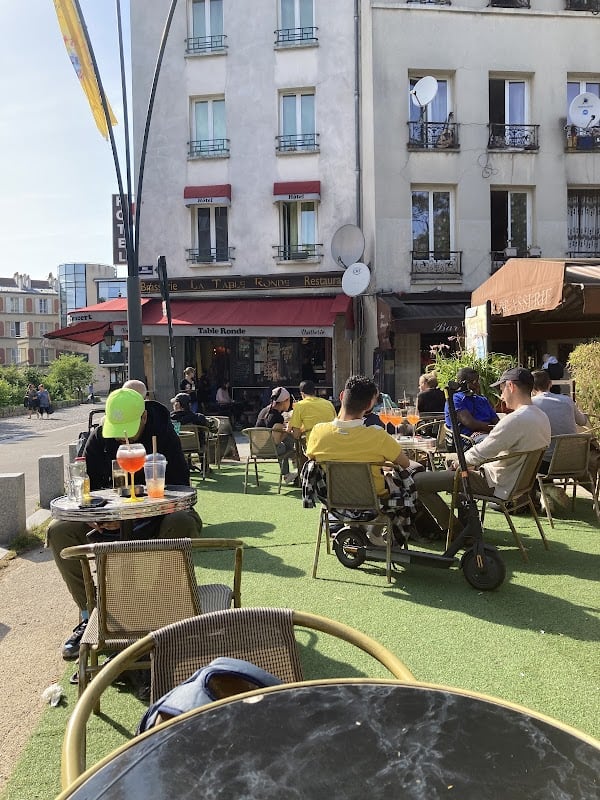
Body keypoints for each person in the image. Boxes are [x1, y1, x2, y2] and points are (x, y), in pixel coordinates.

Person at [46, 384, 203, 661]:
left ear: (144, 417)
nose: (122, 437)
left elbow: (181, 487)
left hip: (157, 517)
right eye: (117, 429)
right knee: (59, 530)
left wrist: (141, 507)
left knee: (183, 521)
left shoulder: (163, 434)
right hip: (108, 519)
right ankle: (92, 611)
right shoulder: (99, 437)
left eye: (128, 428)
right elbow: (89, 488)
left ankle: (161, 605)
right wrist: (99, 518)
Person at [414, 367, 551, 533]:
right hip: (517, 483)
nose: (501, 396)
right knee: (458, 465)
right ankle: (467, 527)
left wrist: (459, 463)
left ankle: (456, 531)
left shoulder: (515, 419)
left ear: (511, 386)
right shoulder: (542, 417)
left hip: (496, 483)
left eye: (502, 389)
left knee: (418, 482)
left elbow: (482, 452)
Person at [306, 375, 410, 496]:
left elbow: (311, 461)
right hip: (375, 501)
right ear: (369, 405)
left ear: (341, 396)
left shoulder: (318, 432)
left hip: (334, 500)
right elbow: (405, 463)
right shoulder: (378, 435)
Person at [531, 369, 588, 469]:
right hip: (574, 461)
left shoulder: (531, 404)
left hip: (546, 463)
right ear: (550, 384)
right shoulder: (567, 400)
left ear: (531, 387)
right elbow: (583, 421)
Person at [444, 368, 499, 445]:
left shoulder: (483, 400)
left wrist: (497, 430)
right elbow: (471, 424)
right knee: (492, 442)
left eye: (478, 381)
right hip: (467, 439)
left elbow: (496, 421)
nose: (477, 384)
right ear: (463, 383)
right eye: (474, 382)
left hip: (488, 434)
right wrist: (493, 429)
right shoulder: (455, 400)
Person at [256, 386, 298, 484]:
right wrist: (287, 431)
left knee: (287, 441)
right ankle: (289, 472)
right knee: (287, 441)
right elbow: (276, 441)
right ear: (285, 401)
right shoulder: (277, 417)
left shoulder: (264, 411)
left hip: (256, 448)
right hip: (269, 449)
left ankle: (294, 464)